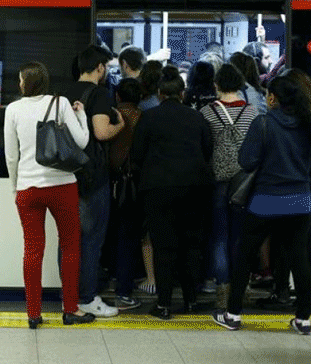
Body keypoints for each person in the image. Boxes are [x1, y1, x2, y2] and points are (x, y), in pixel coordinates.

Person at [213, 73, 311, 335]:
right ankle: (303, 319)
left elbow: (247, 161)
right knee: (300, 258)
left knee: (244, 255)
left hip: (265, 200)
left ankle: (233, 314)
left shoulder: (263, 123)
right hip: (299, 200)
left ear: (272, 98)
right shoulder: (309, 126)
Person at [4, 62, 95, 328]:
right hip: (63, 185)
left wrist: (15, 188)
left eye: (21, 80)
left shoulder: (13, 109)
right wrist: (82, 117)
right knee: (70, 245)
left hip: (28, 189)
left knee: (32, 249)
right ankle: (70, 310)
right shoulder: (61, 103)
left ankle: (33, 313)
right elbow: (81, 142)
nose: (19, 84)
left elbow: (12, 156)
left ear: (26, 83)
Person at [132, 68, 214, 320]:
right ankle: (191, 300)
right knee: (191, 245)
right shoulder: (197, 117)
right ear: (182, 93)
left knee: (164, 246)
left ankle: (164, 304)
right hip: (195, 188)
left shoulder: (148, 117)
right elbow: (207, 150)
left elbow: (136, 155)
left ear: (159, 94)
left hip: (158, 189)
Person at [62, 44, 124, 318]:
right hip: (90, 178)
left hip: (63, 175)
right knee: (90, 239)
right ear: (98, 67)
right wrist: (120, 126)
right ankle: (87, 297)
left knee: (67, 240)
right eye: (107, 67)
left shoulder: (61, 94)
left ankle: (69, 298)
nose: (107, 71)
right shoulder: (98, 94)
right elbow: (100, 131)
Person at [199, 64, 258, 308]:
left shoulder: (206, 112)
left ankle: (222, 288)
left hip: (217, 179)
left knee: (219, 235)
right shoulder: (252, 112)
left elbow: (203, 146)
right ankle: (241, 288)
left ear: (216, 85)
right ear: (241, 84)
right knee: (241, 236)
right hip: (245, 180)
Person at [107, 78, 143, 311]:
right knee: (129, 237)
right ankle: (124, 289)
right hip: (135, 183)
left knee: (111, 234)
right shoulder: (144, 117)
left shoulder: (110, 116)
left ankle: (112, 278)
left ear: (118, 96)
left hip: (110, 182)